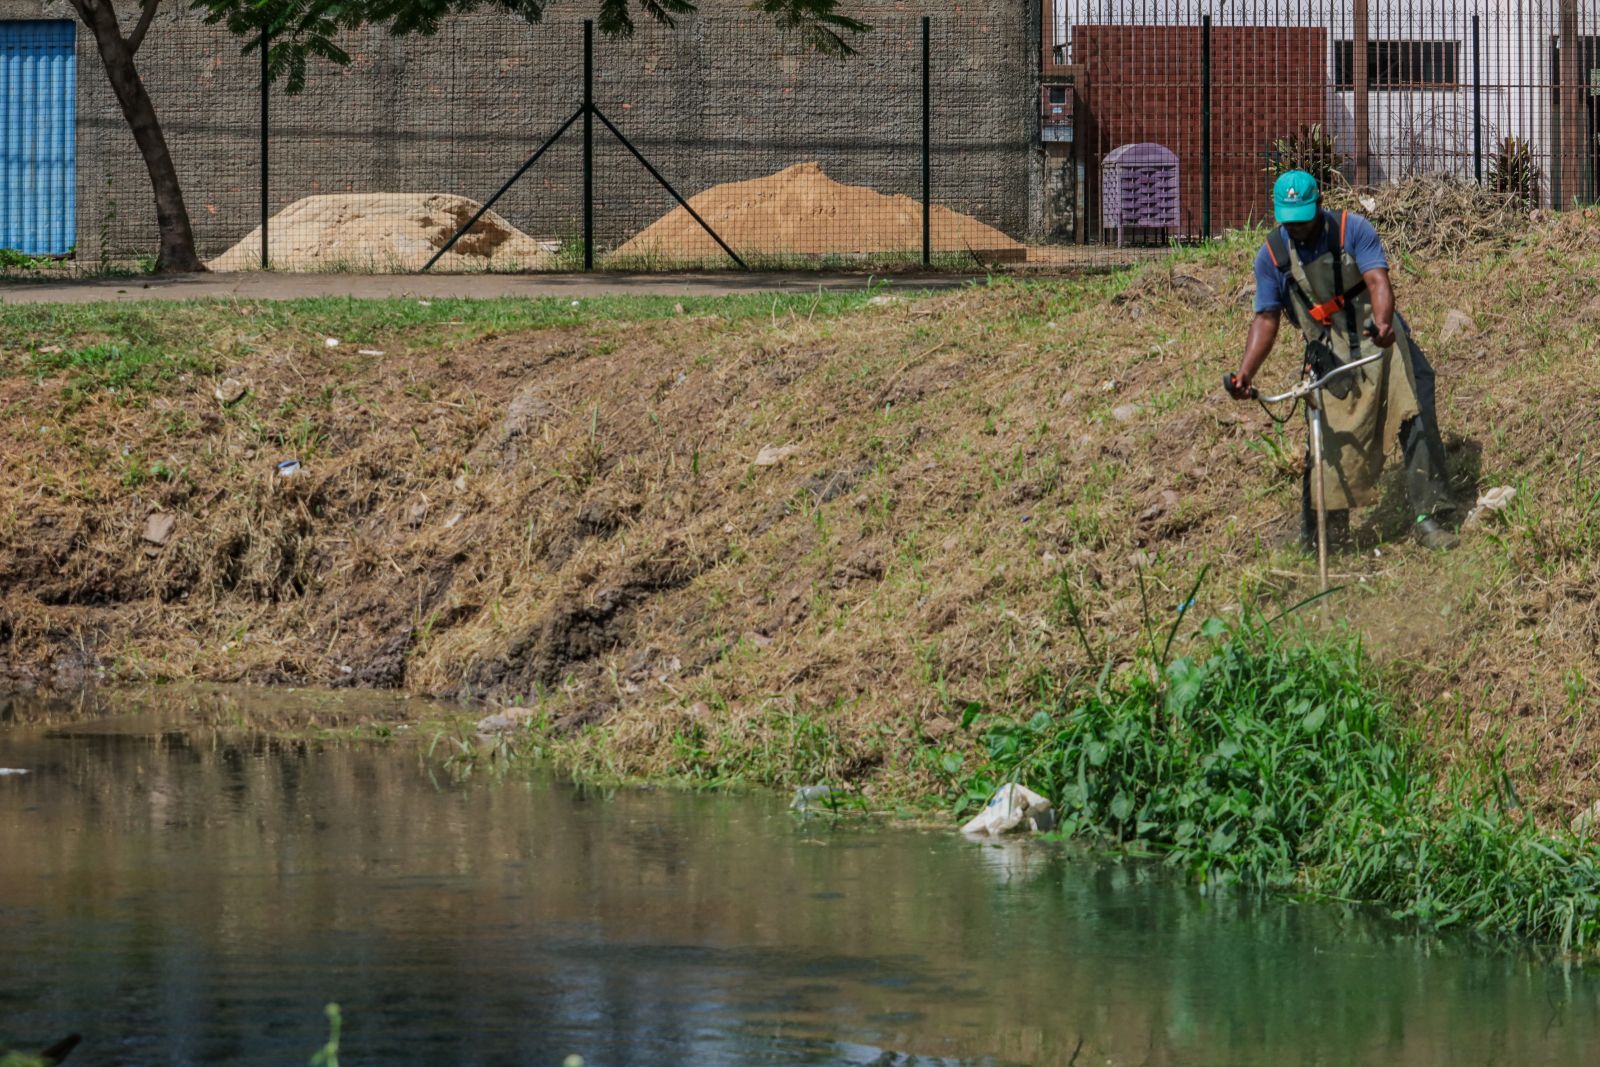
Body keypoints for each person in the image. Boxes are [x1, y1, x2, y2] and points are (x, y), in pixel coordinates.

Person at [1225, 170, 1457, 551]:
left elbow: (1379, 281)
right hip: (1328, 350)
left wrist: (1383, 323)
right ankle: (1325, 538)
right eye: (1289, 222)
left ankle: (1428, 515)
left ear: (1319, 206)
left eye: (1304, 219)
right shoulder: (1271, 257)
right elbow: (1266, 319)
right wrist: (1245, 373)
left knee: (1414, 407)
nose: (1297, 230)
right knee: (1326, 438)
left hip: (1377, 336)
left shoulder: (1353, 229)